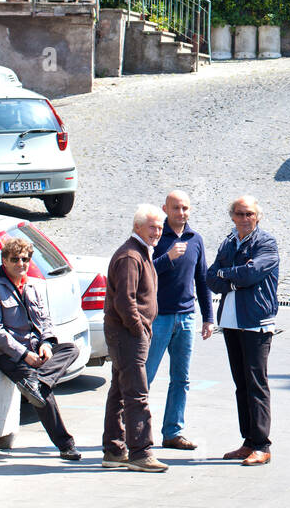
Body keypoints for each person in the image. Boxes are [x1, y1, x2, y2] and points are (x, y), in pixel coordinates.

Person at [0, 234, 82, 462]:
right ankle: (66, 445)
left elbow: (44, 320)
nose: (20, 264)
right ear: (4, 261)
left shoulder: (32, 286)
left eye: (25, 259)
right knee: (43, 393)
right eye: (15, 259)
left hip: (34, 349)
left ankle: (39, 381)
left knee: (70, 349)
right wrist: (25, 355)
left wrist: (46, 344)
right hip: (7, 354)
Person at [206, 195, 279, 466]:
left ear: (257, 216)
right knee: (241, 384)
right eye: (239, 214)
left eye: (249, 214)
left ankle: (262, 444)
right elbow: (211, 277)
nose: (244, 218)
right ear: (232, 216)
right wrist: (232, 278)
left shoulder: (266, 243)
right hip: (231, 321)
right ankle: (248, 440)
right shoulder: (228, 242)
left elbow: (253, 273)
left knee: (256, 383)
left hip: (256, 321)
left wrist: (229, 276)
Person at [145, 189, 215, 451]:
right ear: (165, 209)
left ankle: (173, 431)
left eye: (185, 208)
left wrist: (208, 317)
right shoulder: (154, 236)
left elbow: (202, 279)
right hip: (158, 318)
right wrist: (168, 258)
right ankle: (135, 430)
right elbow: (145, 271)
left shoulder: (195, 239)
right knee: (145, 377)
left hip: (186, 317)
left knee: (181, 378)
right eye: (176, 208)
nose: (181, 213)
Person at [102, 204, 167, 473]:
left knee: (119, 390)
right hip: (127, 335)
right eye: (152, 226)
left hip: (128, 334)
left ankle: (114, 449)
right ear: (137, 226)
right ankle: (140, 452)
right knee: (137, 393)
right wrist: (139, 329)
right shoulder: (130, 255)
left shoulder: (140, 252)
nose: (157, 232)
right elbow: (125, 301)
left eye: (160, 228)